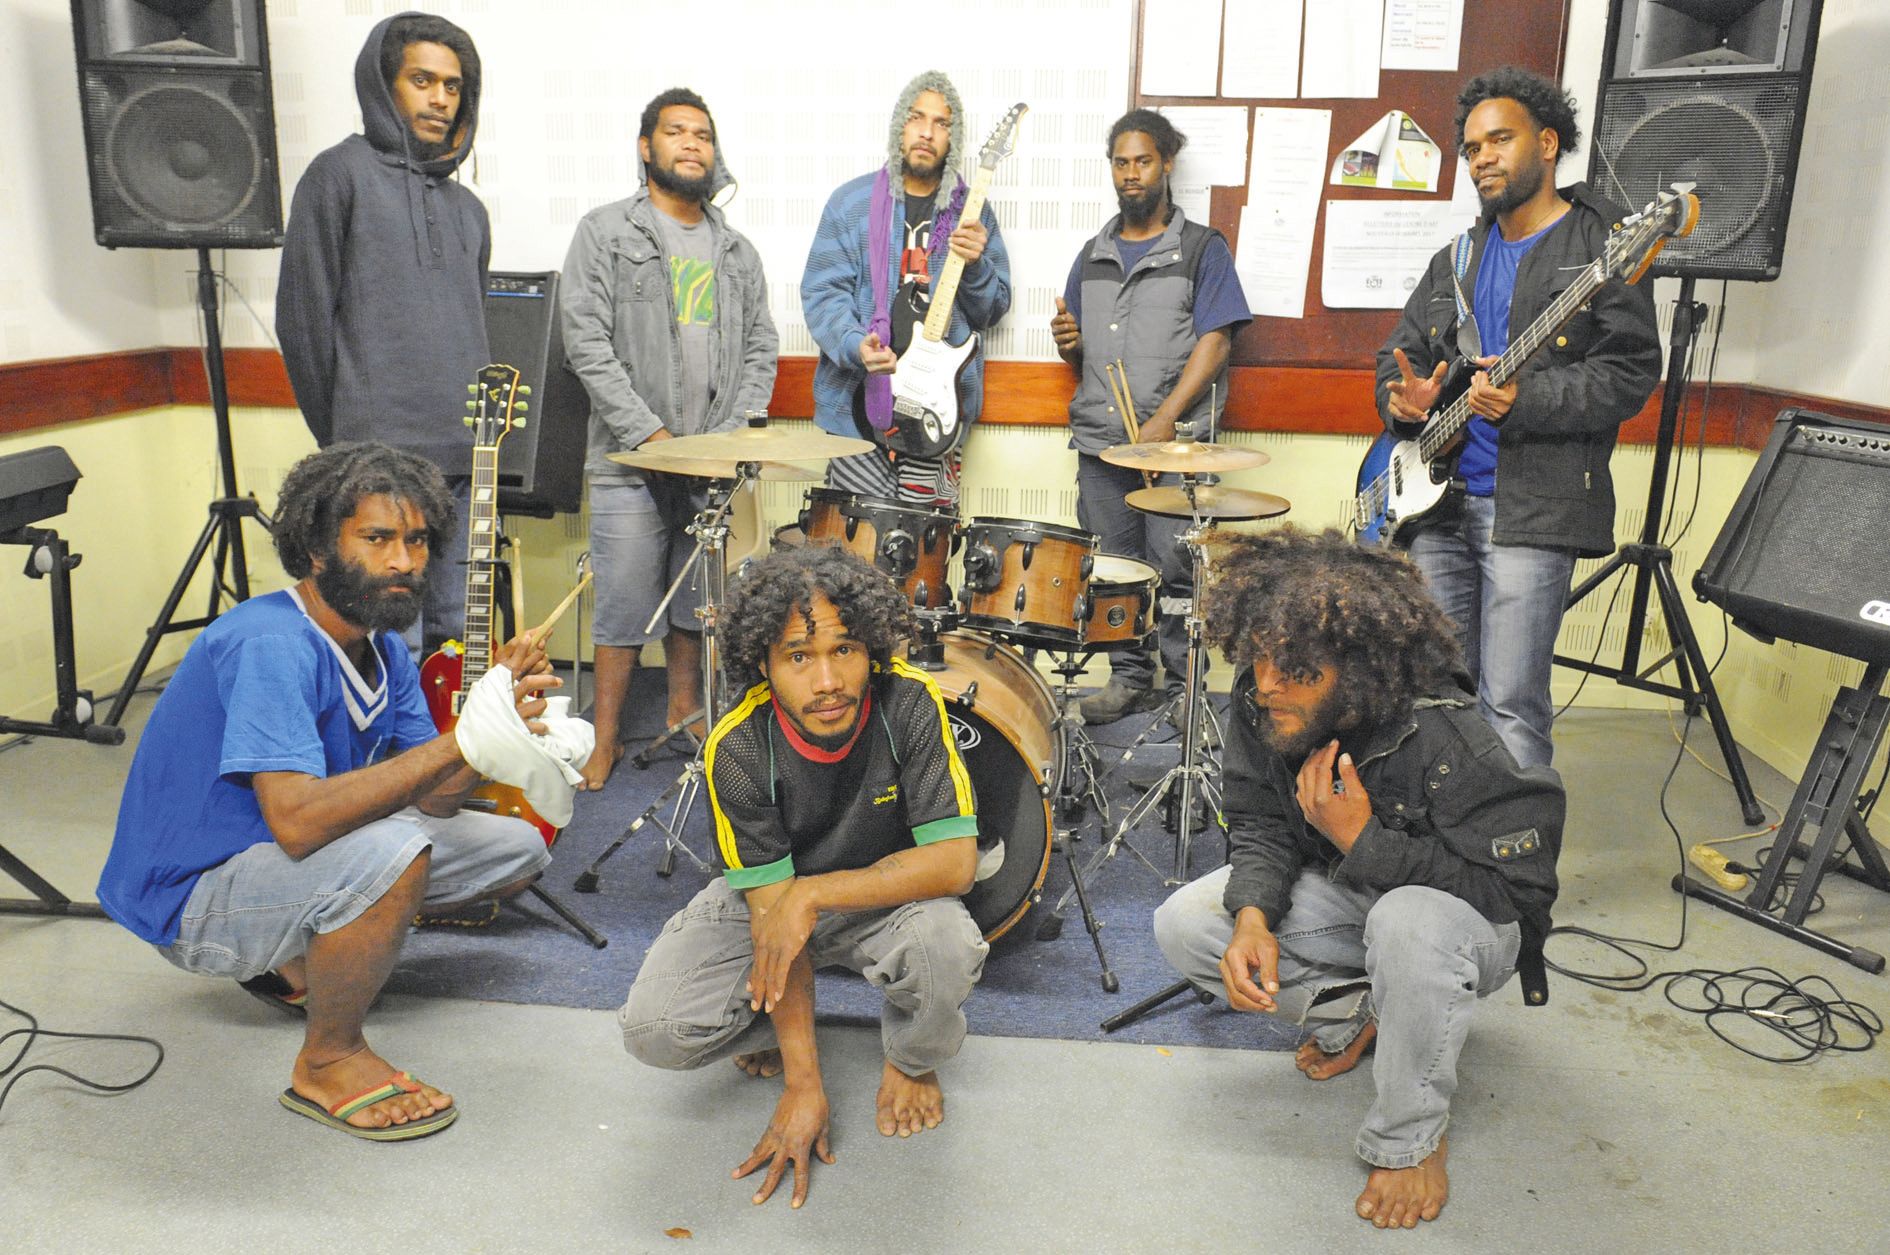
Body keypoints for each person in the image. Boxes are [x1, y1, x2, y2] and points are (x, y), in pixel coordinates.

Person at [96, 442, 557, 1141]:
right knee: (393, 852)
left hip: (273, 860)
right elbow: (299, 823)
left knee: (517, 845)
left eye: (416, 540)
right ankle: (329, 1056)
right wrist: (457, 742)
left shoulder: (385, 648)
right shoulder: (272, 642)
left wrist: (489, 719)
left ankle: (295, 958)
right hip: (192, 896)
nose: (403, 560)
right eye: (376, 539)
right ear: (316, 548)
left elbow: (435, 798)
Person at [1152, 528, 1562, 1229]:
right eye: (1259, 660)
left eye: (1297, 670)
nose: (1268, 683)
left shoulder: (1445, 737)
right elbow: (1259, 822)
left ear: (1358, 672)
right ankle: (1373, 1012)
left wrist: (1362, 840)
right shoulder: (1267, 702)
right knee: (1188, 922)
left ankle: (1409, 1138)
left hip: (1463, 927)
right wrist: (1252, 917)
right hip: (1361, 900)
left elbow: (1515, 895)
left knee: (1407, 923)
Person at [618, 547, 986, 1209]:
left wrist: (813, 894)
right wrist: (803, 1083)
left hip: (879, 895)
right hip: (770, 904)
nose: (827, 680)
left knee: (946, 946)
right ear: (762, 663)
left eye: (845, 650)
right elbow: (772, 922)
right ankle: (781, 1026)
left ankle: (911, 1054)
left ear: (871, 649)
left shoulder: (909, 701)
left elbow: (956, 862)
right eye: (798, 656)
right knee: (655, 1030)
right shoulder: (734, 745)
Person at [1375, 67, 1661, 769]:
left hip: (1531, 513)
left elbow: (1629, 373)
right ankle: (1448, 856)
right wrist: (1399, 398)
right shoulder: (1460, 256)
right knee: (1435, 694)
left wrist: (1526, 400)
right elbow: (1401, 353)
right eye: (1472, 148)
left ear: (1548, 141)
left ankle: (1516, 872)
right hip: (1436, 510)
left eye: (1499, 140)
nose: (1483, 159)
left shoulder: (1601, 248)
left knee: (1510, 705)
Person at [560, 87, 779, 790]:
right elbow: (585, 342)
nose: (692, 144)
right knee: (624, 603)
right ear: (645, 147)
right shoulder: (605, 233)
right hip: (630, 460)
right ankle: (605, 738)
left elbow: (761, 350)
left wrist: (723, 439)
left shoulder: (737, 252)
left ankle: (684, 709)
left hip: (709, 463)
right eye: (676, 132)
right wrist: (650, 434)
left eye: (704, 135)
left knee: (697, 599)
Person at [276, 11, 492, 655]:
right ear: (383, 84)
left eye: (453, 86)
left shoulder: (468, 209)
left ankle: (448, 758)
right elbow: (303, 321)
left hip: (464, 461)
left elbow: (470, 322)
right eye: (422, 80)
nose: (440, 99)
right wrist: (346, 445)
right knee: (388, 638)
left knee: (455, 640)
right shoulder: (335, 176)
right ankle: (391, 759)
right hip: (375, 466)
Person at [1051, 108, 1251, 725]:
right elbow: (1085, 342)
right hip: (1104, 444)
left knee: (1176, 569)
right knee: (1116, 568)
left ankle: (1185, 687)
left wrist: (1164, 421)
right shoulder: (1094, 252)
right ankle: (1129, 678)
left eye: (1143, 161)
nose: (1131, 174)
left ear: (1167, 164)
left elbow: (1217, 341)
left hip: (1176, 449)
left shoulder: (1200, 250)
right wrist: (1068, 341)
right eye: (1121, 162)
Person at [802, 70, 1011, 509]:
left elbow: (992, 309)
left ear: (952, 140)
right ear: (900, 126)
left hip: (937, 412)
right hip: (854, 414)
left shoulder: (972, 211)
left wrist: (975, 266)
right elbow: (823, 295)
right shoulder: (849, 204)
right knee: (850, 562)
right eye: (917, 118)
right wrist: (857, 345)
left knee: (922, 563)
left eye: (941, 123)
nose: (927, 132)